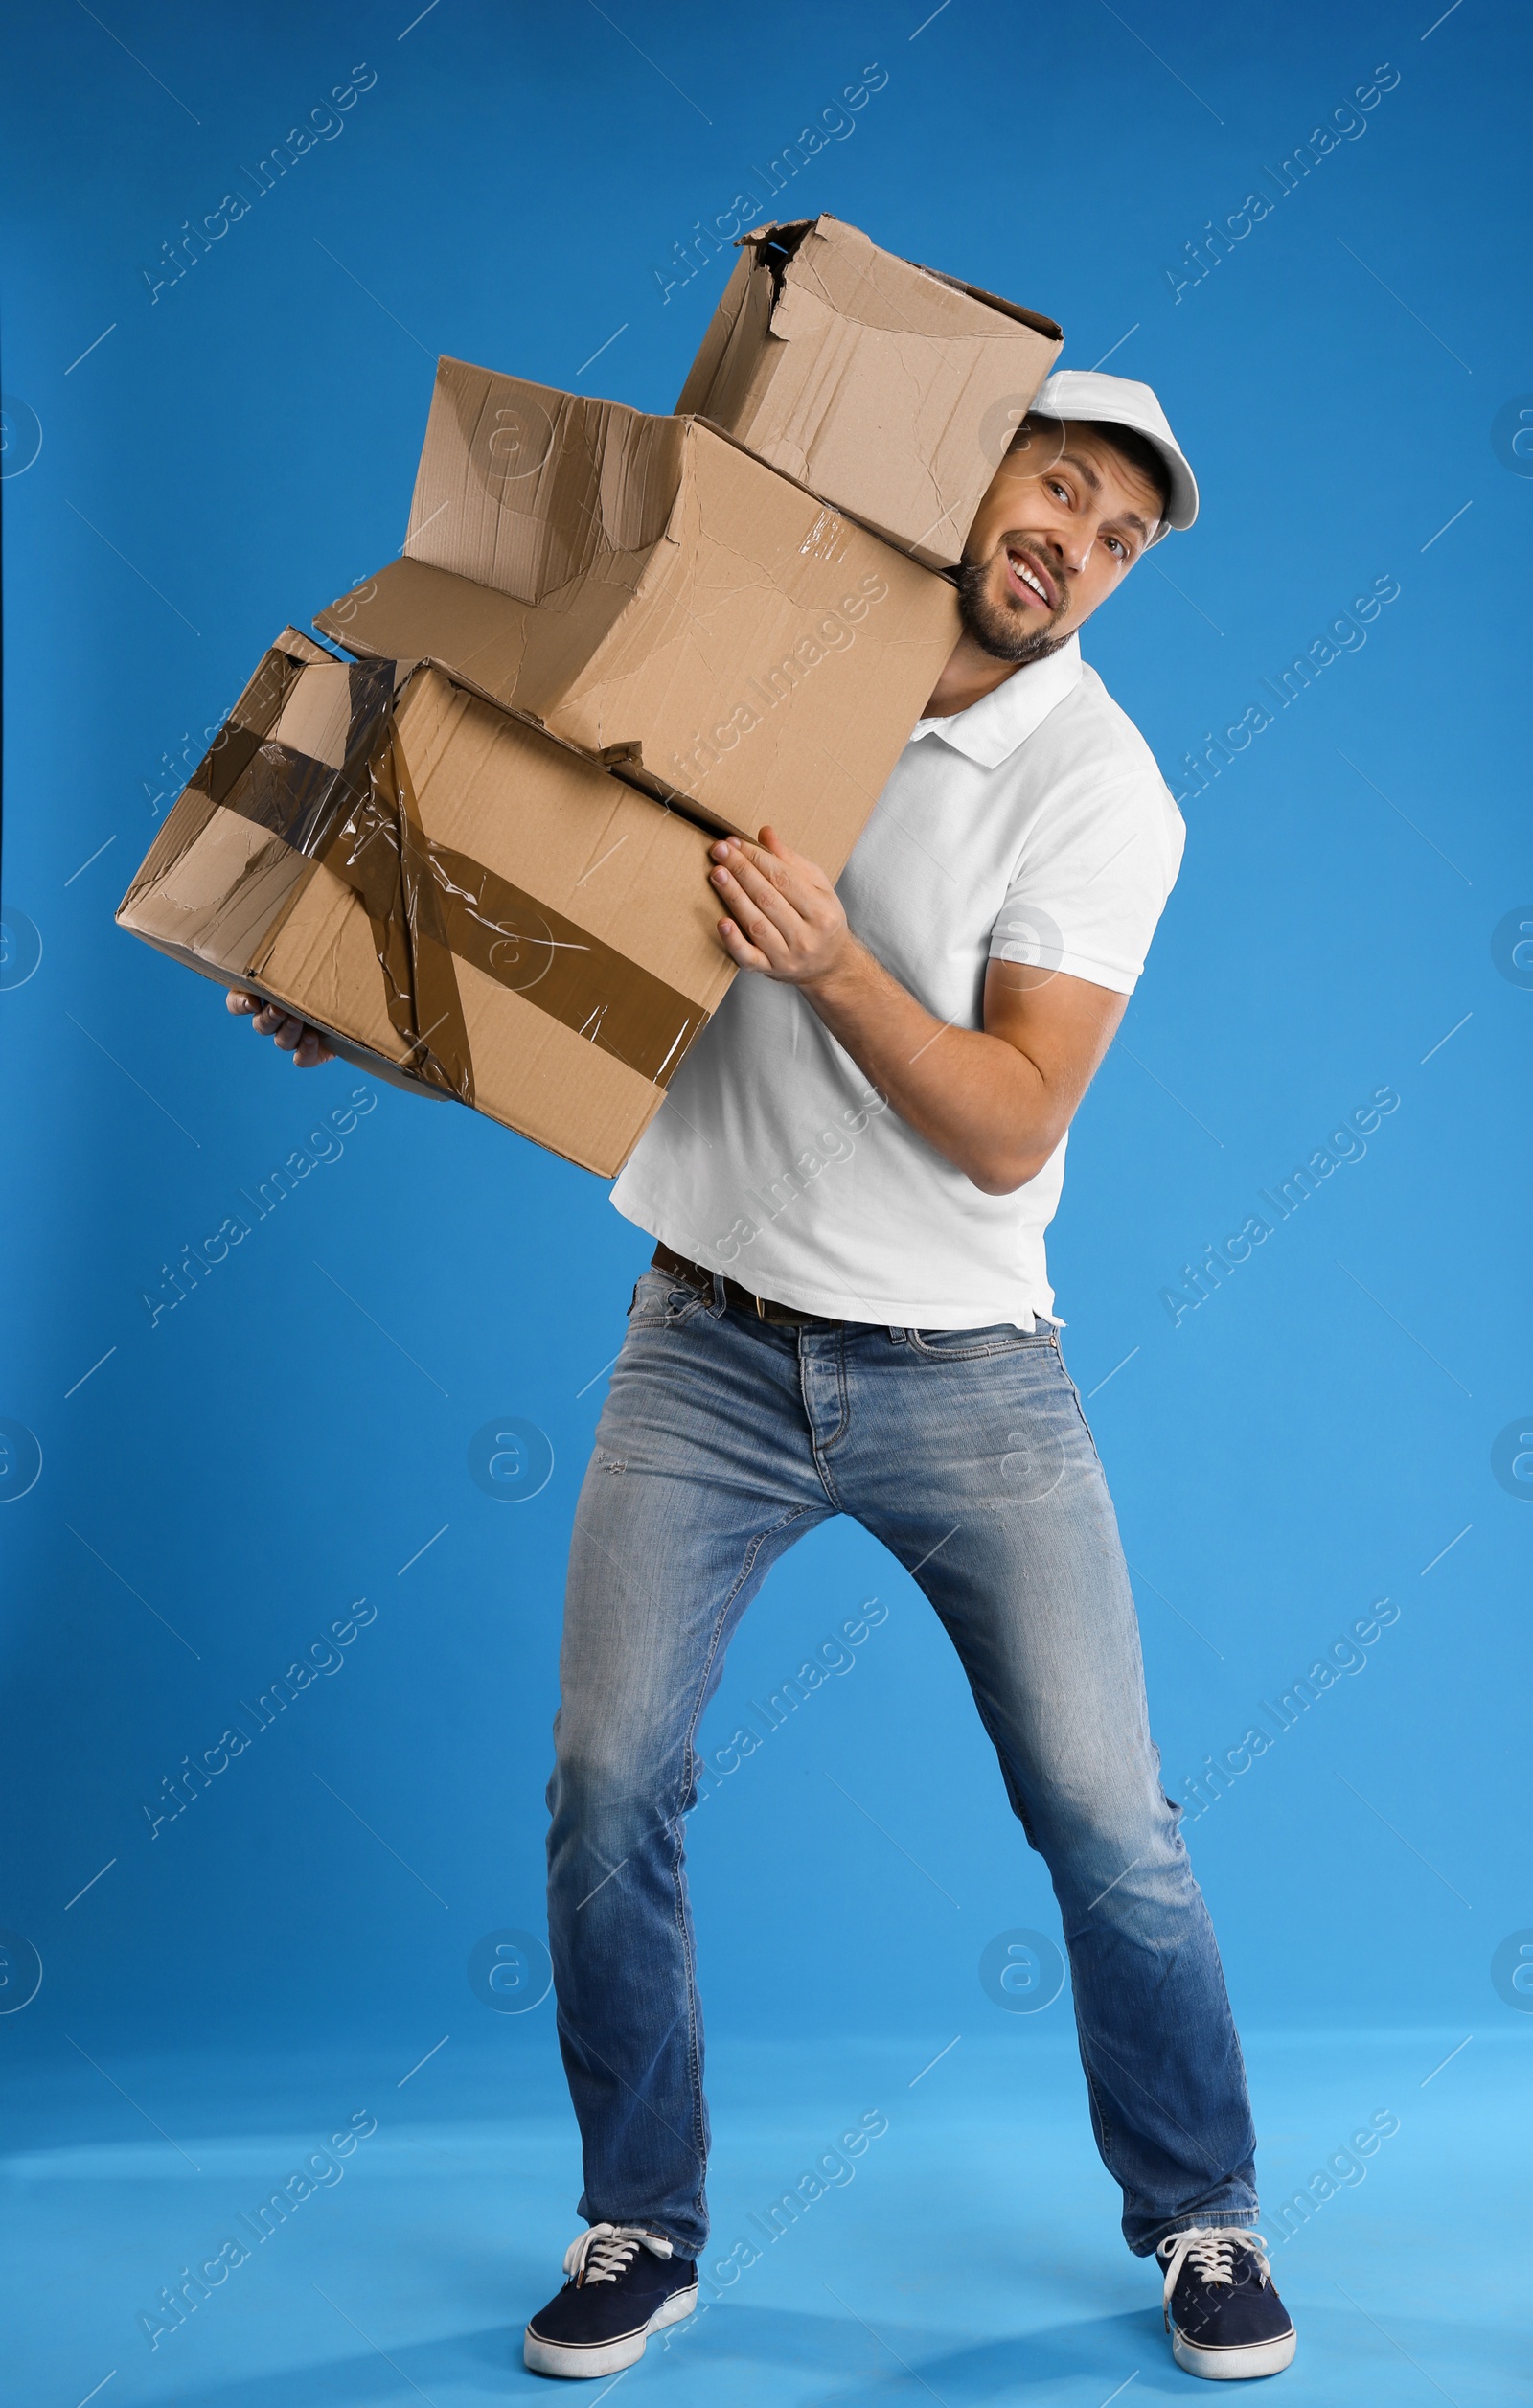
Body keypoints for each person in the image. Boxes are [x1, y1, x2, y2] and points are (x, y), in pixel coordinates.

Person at [229, 370, 1296, 2386]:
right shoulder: (779, 666)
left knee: (1104, 1819)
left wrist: (828, 962)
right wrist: (367, 993)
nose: (1072, 541)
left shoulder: (1103, 792)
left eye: (1118, 536)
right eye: (1052, 486)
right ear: (968, 474)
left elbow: (1003, 1125)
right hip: (703, 1345)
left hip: (967, 1380)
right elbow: (586, 902)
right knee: (605, 1780)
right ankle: (640, 2219)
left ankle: (1205, 2219)